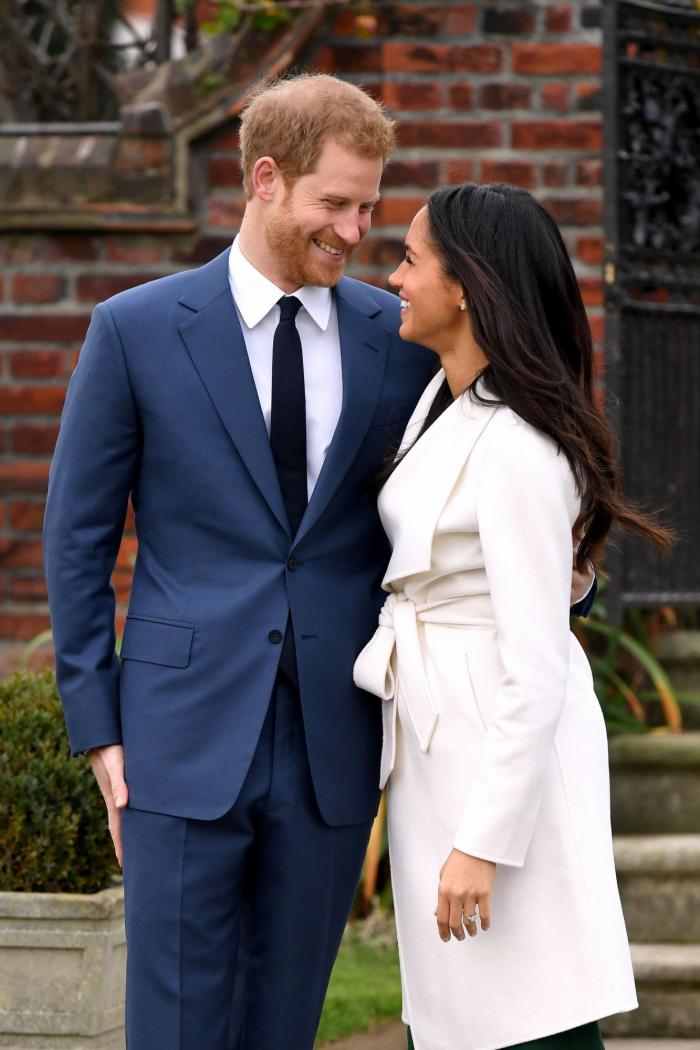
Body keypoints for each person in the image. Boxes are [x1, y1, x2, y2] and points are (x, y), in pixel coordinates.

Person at [43, 74, 593, 1050]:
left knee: (283, 1025)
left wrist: (563, 580)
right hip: (178, 734)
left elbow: (492, 478)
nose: (354, 231)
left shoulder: (405, 340)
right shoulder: (134, 330)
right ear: (265, 181)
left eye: (370, 207)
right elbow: (78, 539)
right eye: (333, 205)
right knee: (171, 1026)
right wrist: (99, 728)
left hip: (337, 742)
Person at [355, 184, 672, 1050]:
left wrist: (482, 844)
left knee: (529, 1016)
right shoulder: (443, 403)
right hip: (440, 739)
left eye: (412, 259)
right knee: (461, 1020)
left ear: (465, 286)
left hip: (499, 766)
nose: (394, 277)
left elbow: (537, 663)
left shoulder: (522, 447)